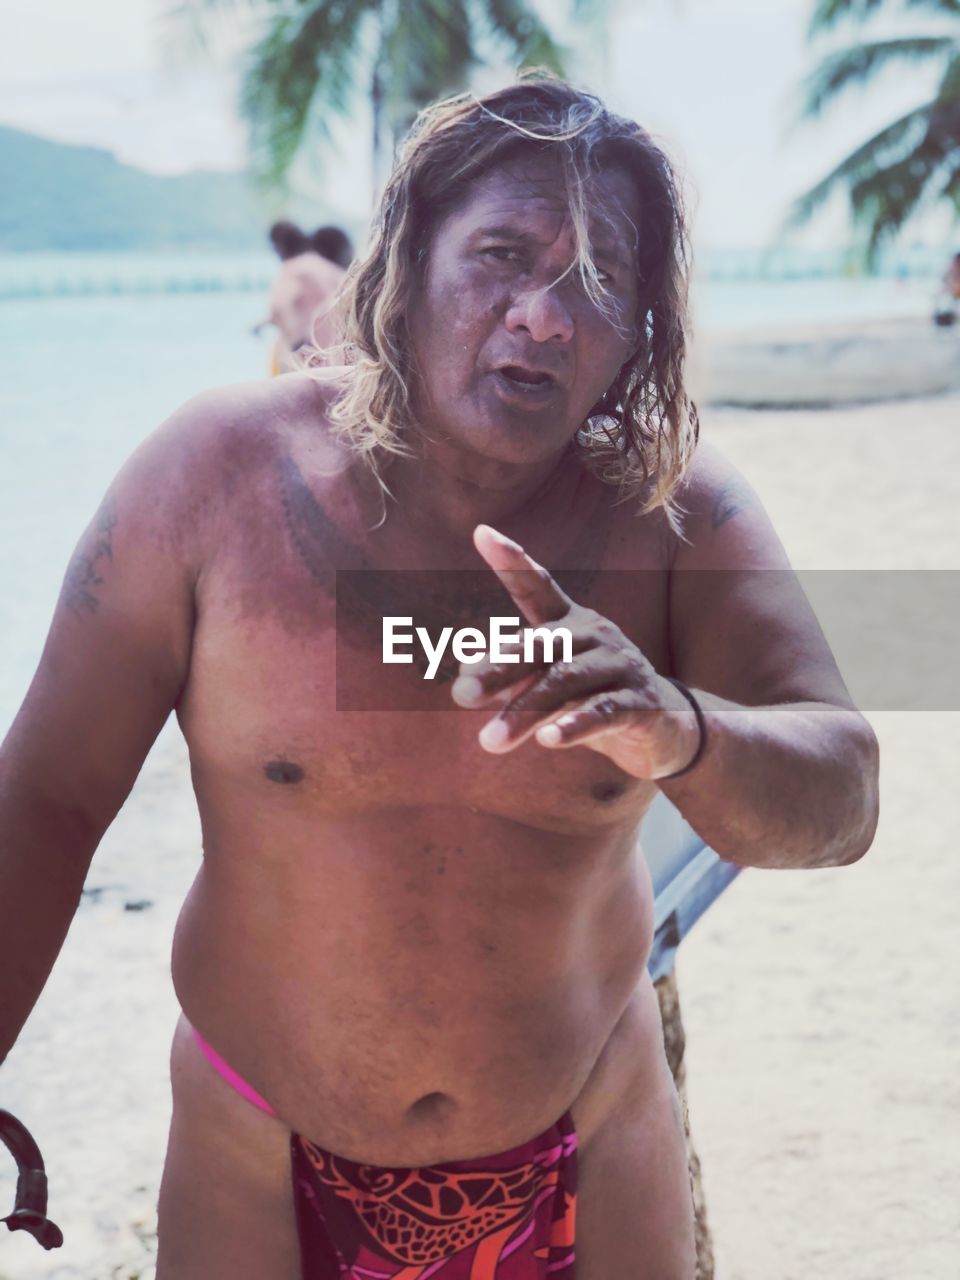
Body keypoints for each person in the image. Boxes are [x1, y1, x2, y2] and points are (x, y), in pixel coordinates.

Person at [0, 73, 879, 1279]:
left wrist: (680, 727)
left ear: (642, 328)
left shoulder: (676, 520)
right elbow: (47, 796)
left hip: (590, 1134)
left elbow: (843, 795)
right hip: (259, 1149)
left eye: (603, 279)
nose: (547, 315)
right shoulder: (210, 480)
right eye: (503, 254)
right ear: (406, 265)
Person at [263, 220, 355, 372]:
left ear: (278, 247)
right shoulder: (326, 267)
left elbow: (278, 305)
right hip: (336, 358)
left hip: (308, 359)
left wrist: (297, 343)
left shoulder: (293, 269)